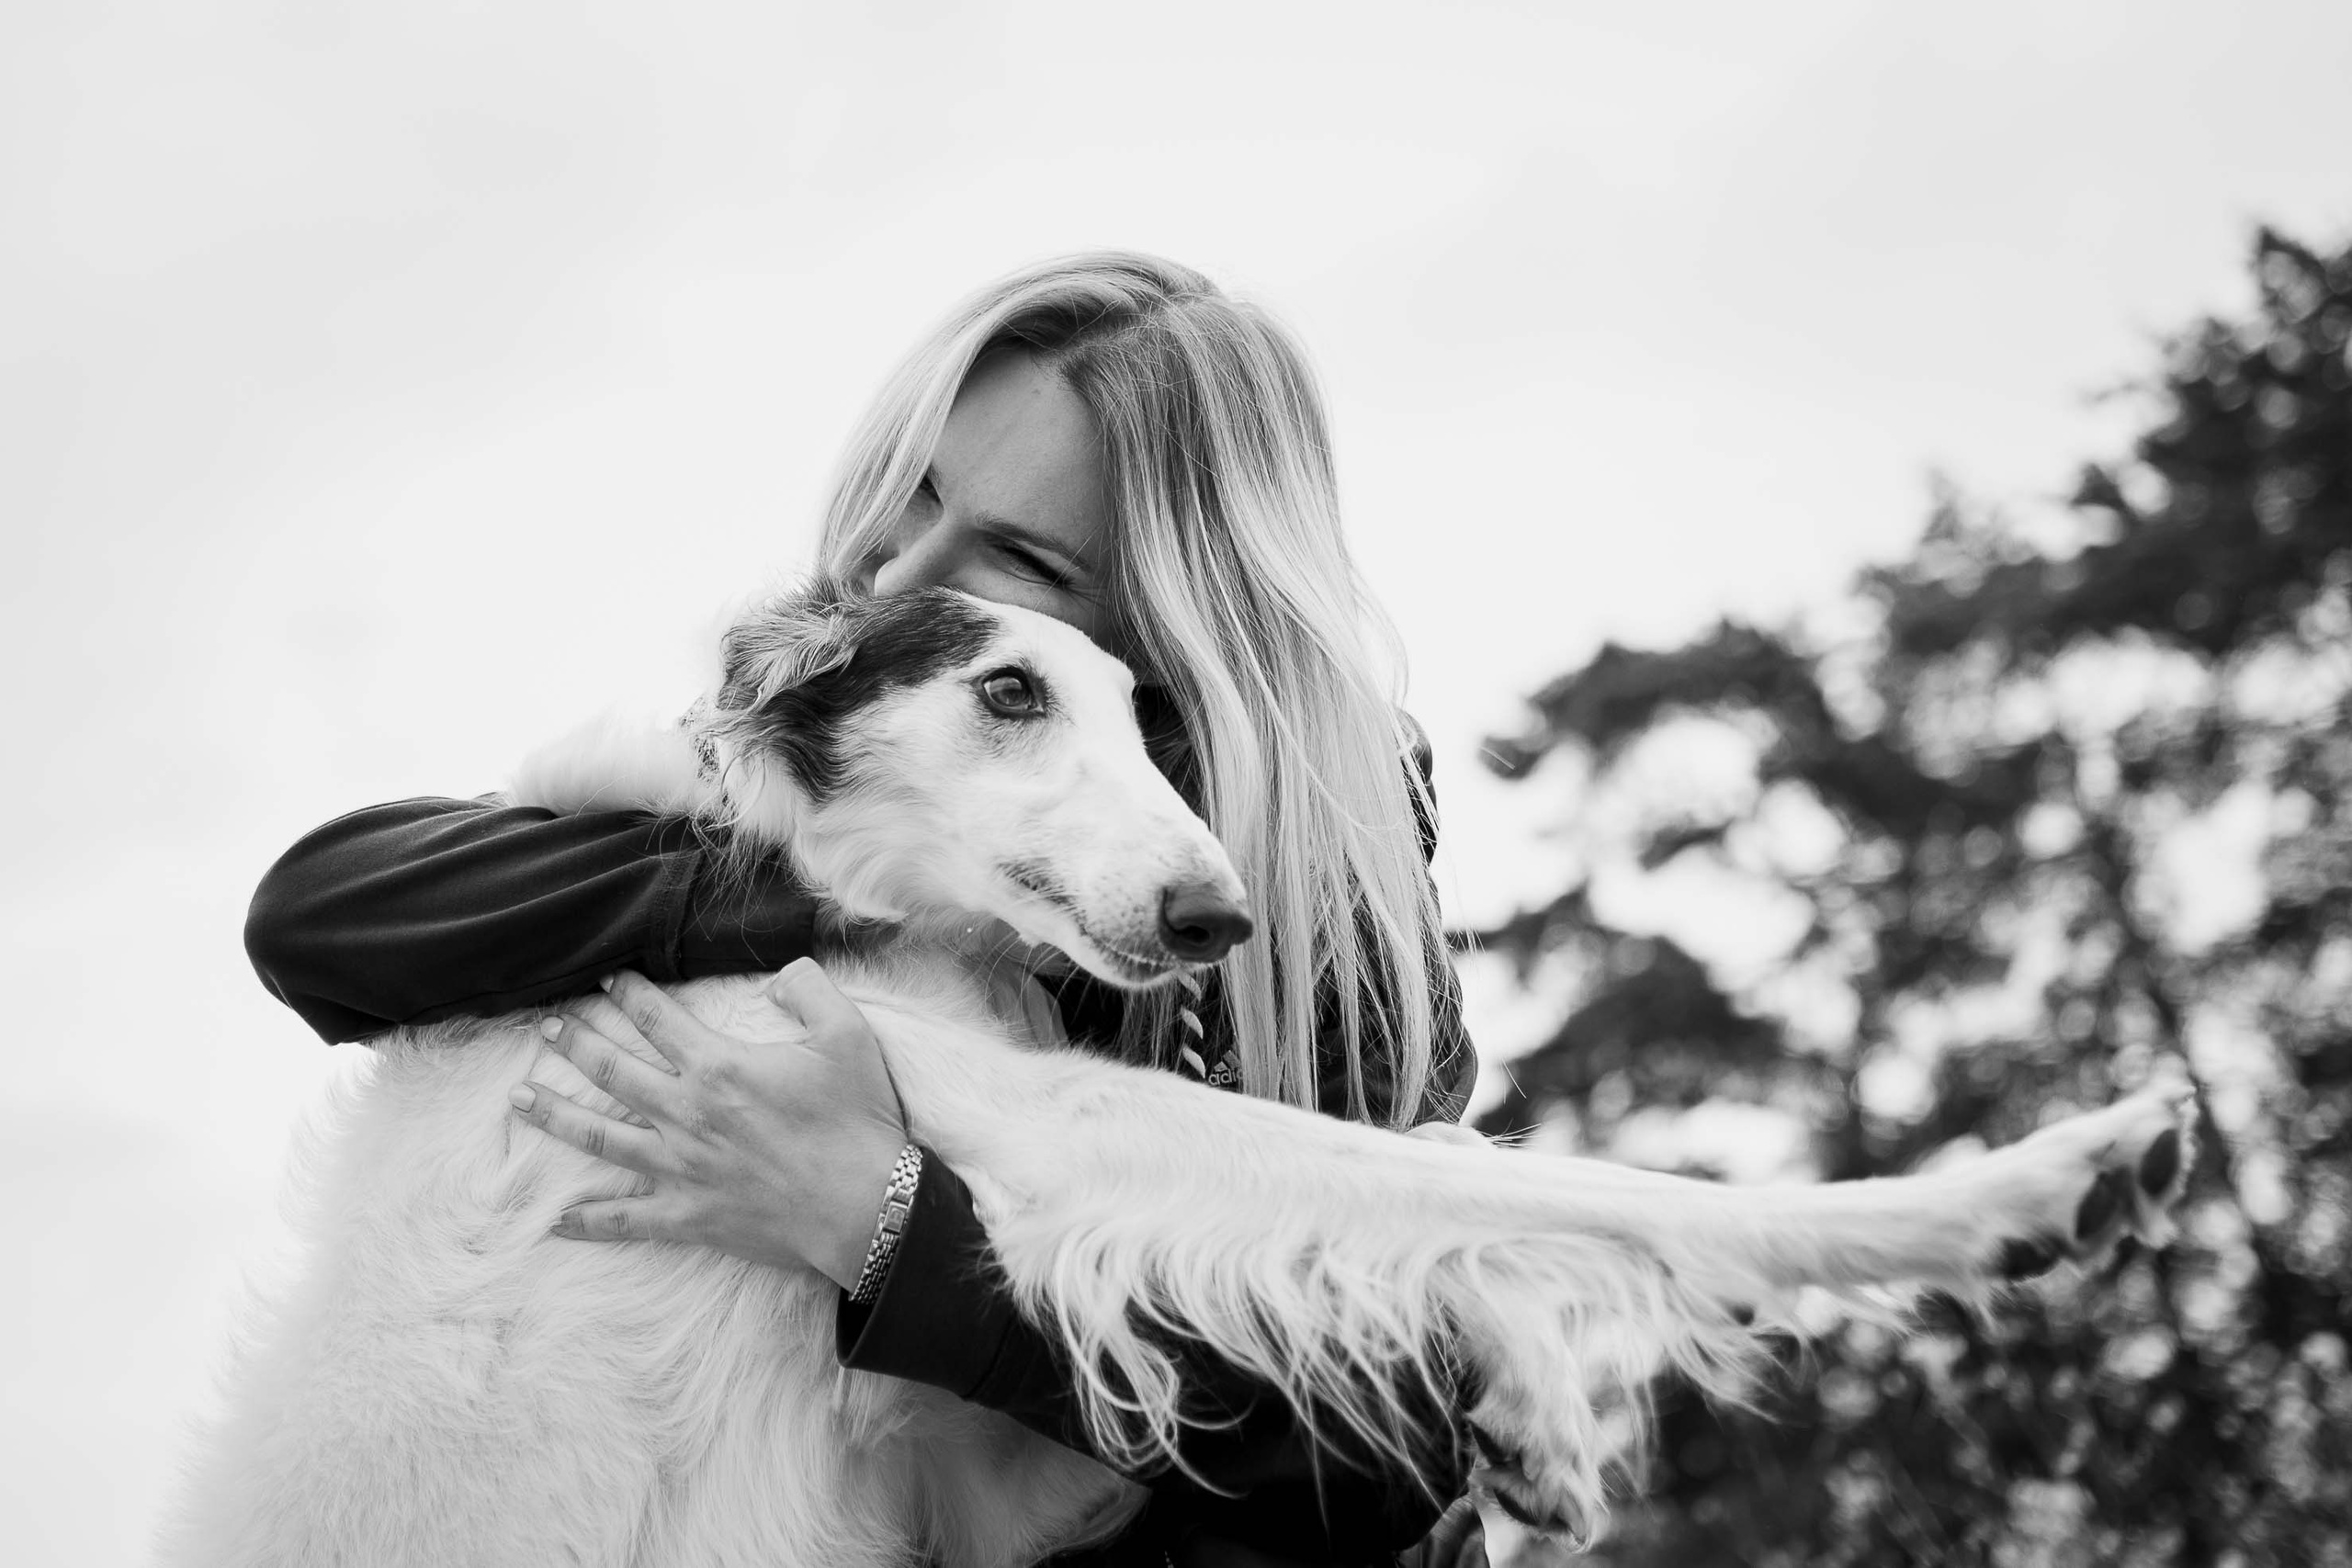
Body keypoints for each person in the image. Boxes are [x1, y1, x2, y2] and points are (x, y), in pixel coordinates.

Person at [245, 252, 1488, 1567]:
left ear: (1171, 613)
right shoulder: (866, 748)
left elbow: (1384, 1457)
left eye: (1021, 557)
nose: (904, 577)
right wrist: (847, 887)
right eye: (921, 493)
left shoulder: (1315, 904)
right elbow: (327, 921)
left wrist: (887, 1228)